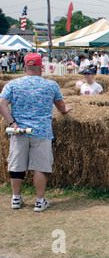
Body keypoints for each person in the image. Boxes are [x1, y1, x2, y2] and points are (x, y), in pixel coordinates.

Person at [0, 53, 72, 212]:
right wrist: (66, 110)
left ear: (25, 67)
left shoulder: (12, 85)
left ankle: (16, 199)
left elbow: (2, 104)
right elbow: (61, 107)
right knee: (40, 167)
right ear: (41, 68)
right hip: (42, 132)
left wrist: (13, 123)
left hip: (19, 132)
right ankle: (40, 201)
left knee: (17, 166)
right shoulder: (51, 85)